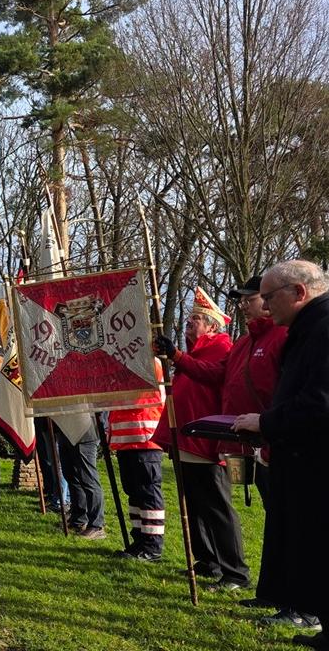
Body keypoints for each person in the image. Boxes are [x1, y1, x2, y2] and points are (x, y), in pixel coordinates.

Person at [233, 260, 329, 648]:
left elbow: (320, 401)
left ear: (299, 292)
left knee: (319, 544)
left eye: (269, 297)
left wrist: (266, 422)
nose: (265, 306)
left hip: (317, 462)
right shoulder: (309, 329)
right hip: (301, 457)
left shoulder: (323, 329)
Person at [153, 286, 248, 589]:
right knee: (194, 505)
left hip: (207, 442)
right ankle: (207, 561)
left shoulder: (222, 347)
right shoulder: (193, 352)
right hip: (187, 440)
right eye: (189, 318)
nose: (189, 323)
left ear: (211, 326)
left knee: (216, 506)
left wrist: (177, 356)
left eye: (195, 319)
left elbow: (210, 374)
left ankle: (235, 571)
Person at [108, 360, 166, 561]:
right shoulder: (124, 363)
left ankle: (152, 545)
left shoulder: (149, 361)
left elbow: (142, 395)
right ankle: (140, 540)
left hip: (144, 438)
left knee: (148, 493)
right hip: (127, 440)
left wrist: (106, 396)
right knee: (134, 494)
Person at [58, 414, 106, 539]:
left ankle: (96, 525)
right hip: (66, 431)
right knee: (71, 476)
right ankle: (78, 519)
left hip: (85, 432)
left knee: (88, 480)